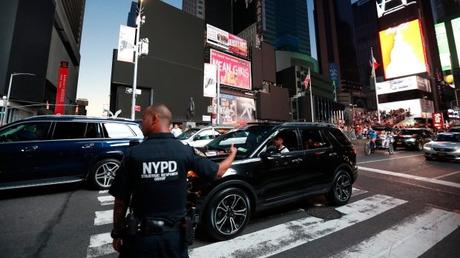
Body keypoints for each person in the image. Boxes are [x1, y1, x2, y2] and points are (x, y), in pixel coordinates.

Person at [109, 104, 237, 258]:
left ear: (155, 119)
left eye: (144, 119)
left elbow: (121, 201)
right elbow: (218, 172)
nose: (141, 123)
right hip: (174, 241)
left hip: (140, 240)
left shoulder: (133, 154)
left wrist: (117, 233)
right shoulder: (185, 151)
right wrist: (232, 155)